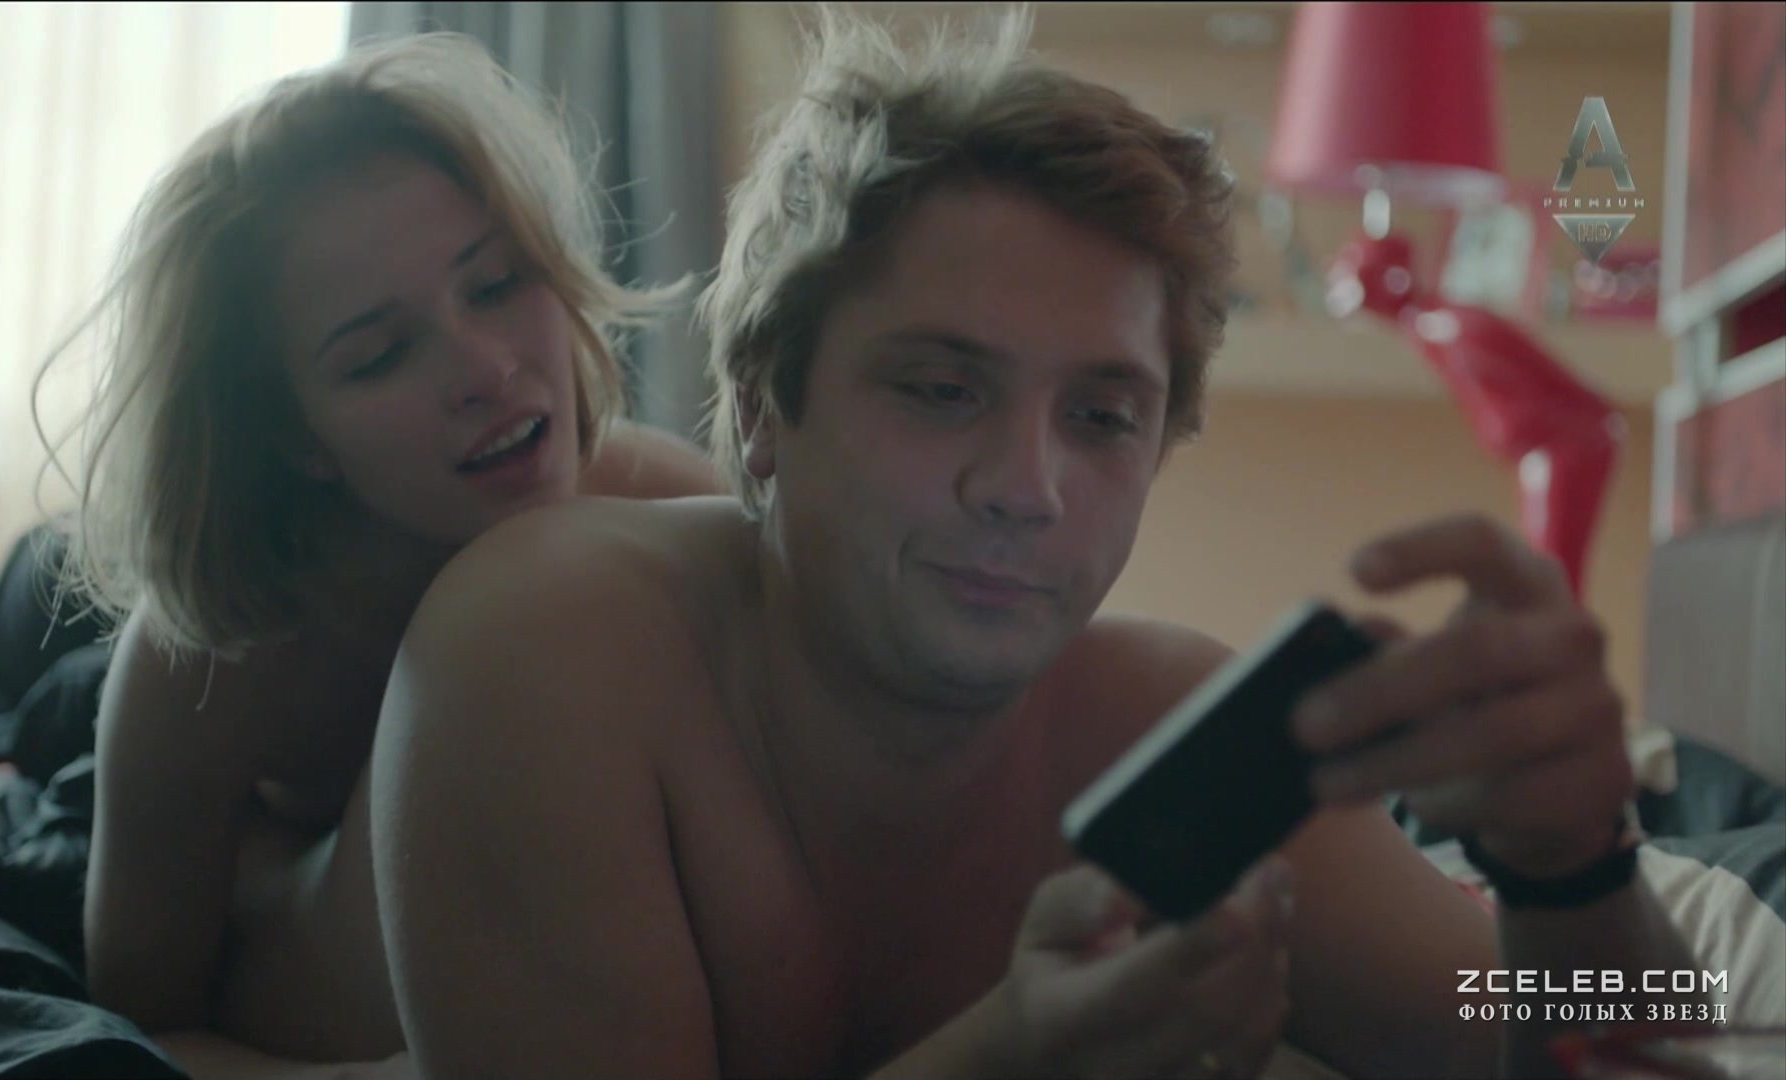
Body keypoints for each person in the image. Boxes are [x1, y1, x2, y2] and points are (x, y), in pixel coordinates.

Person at [371, 8, 1696, 1079]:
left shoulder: (1172, 734)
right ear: (767, 413)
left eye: (1102, 416)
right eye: (942, 389)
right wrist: (1008, 1056)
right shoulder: (550, 646)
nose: (1027, 489)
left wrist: (1574, 866)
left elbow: (1616, 1046)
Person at [38, 32, 719, 1070]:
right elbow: (143, 1027)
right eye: (381, 355)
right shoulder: (211, 667)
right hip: (100, 679)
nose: (488, 370)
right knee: (30, 649)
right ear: (293, 436)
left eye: (497, 284)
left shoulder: (670, 510)